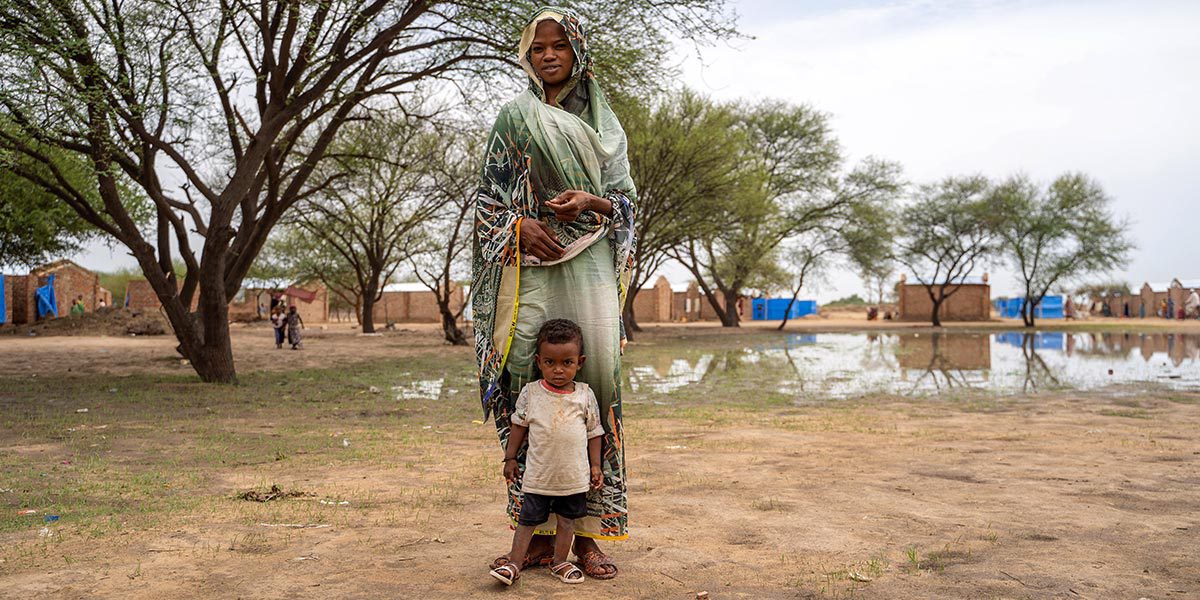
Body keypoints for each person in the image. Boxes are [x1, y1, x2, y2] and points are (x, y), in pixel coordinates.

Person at [472, 7, 635, 581]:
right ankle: (537, 532)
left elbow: (627, 205)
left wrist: (591, 204)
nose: (547, 55)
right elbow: (487, 201)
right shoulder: (515, 118)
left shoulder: (606, 128)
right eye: (537, 47)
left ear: (578, 52)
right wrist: (517, 228)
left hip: (589, 267)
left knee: (599, 387)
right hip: (530, 268)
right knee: (526, 382)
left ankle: (588, 534)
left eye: (558, 45)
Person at [489, 320, 603, 586]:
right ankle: (514, 564)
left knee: (567, 522)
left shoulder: (585, 395)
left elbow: (594, 433)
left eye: (567, 363)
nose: (558, 370)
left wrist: (595, 466)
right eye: (550, 363)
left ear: (580, 362)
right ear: (539, 362)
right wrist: (510, 457)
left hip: (574, 477)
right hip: (539, 476)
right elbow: (518, 427)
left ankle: (560, 561)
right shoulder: (531, 393)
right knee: (527, 521)